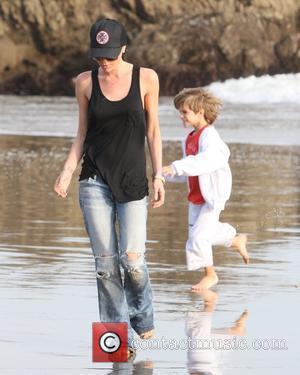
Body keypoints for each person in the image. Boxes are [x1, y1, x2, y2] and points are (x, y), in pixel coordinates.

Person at [54, 18, 165, 354]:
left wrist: (159, 174)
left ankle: (143, 318)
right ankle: (115, 342)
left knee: (132, 259)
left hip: (132, 181)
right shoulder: (85, 82)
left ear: (124, 48)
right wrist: (67, 171)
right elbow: (82, 133)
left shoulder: (146, 78)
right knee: (105, 265)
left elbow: (153, 131)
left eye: (110, 55)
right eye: (99, 56)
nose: (105, 62)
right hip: (94, 181)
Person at [162, 87, 249, 291]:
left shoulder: (210, 137)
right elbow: (189, 167)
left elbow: (207, 161)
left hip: (212, 196)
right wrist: (166, 174)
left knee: (199, 237)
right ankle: (235, 240)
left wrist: (177, 166)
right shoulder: (189, 138)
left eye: (184, 112)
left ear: (200, 111)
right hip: (195, 197)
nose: (181, 116)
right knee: (203, 235)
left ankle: (211, 275)